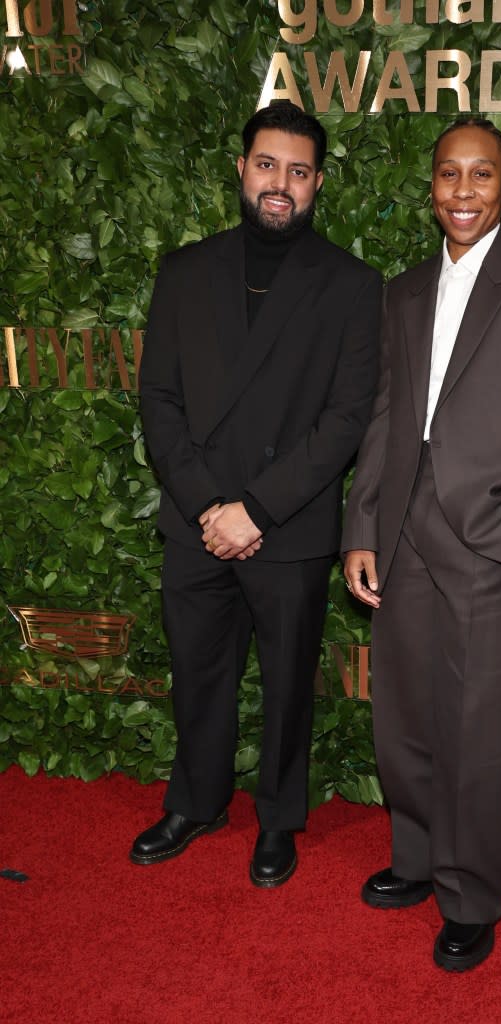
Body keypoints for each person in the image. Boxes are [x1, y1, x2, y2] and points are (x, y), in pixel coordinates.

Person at [342, 117, 501, 970]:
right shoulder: (404, 289)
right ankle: (417, 859)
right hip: (404, 530)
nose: (462, 191)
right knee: (406, 717)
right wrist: (362, 526)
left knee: (481, 728)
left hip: (492, 535)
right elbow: (386, 415)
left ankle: (472, 892)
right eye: (448, 175)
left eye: (480, 175)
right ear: (430, 187)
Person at [132, 101, 381, 887]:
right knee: (197, 673)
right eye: (267, 165)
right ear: (241, 169)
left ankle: (278, 818)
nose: (281, 184)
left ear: (316, 184)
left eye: (299, 171)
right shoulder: (184, 271)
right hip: (195, 520)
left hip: (289, 524)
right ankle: (198, 800)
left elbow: (347, 417)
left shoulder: (349, 284)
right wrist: (211, 507)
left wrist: (257, 509)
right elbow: (159, 402)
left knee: (285, 688)